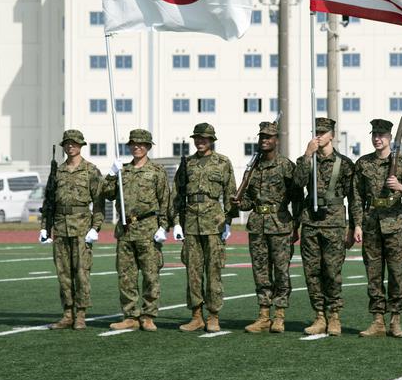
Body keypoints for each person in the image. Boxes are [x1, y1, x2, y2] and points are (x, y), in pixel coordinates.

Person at [292, 117, 359, 336]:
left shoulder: (345, 164)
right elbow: (298, 183)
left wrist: (355, 226)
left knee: (332, 271)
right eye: (316, 132)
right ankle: (319, 316)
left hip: (334, 223)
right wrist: (307, 154)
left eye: (323, 132)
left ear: (332, 135)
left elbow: (354, 197)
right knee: (312, 272)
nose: (318, 136)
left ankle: (334, 316)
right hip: (311, 222)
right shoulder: (307, 160)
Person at [353, 119, 402, 338]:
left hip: (394, 225)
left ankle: (395, 320)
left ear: (390, 138)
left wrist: (400, 186)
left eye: (381, 135)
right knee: (373, 275)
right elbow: (356, 197)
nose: (377, 139)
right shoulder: (363, 163)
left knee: (396, 273)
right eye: (374, 135)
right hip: (371, 224)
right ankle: (377, 320)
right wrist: (357, 224)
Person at [102, 129, 170, 332]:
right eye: (133, 144)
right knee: (126, 276)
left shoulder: (156, 171)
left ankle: (148, 315)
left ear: (148, 147)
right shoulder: (123, 171)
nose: (137, 147)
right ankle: (130, 315)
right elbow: (108, 194)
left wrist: (164, 226)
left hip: (148, 229)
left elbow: (165, 200)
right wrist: (112, 175)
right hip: (125, 229)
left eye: (141, 144)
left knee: (151, 275)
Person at [235, 121, 298, 333]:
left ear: (276, 140)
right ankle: (263, 315)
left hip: (280, 224)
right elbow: (247, 202)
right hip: (257, 226)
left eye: (269, 137)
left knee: (281, 272)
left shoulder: (286, 166)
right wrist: (237, 201)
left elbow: (297, 198)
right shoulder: (252, 168)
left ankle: (279, 315)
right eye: (262, 137)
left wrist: (296, 225)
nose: (264, 141)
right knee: (260, 273)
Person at [173, 123, 236, 333]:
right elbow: (177, 194)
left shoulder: (223, 162)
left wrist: (229, 221)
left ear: (211, 140)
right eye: (197, 138)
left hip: (214, 222)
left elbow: (230, 193)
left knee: (214, 271)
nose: (200, 142)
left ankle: (213, 316)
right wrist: (175, 223)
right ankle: (196, 316)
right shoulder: (187, 163)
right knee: (193, 272)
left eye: (204, 138)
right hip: (191, 223)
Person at [40, 129, 105, 331]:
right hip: (60, 227)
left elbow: (99, 202)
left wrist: (96, 227)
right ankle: (67, 313)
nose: (71, 146)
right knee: (63, 273)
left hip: (82, 227)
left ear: (81, 146)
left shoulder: (90, 170)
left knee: (81, 273)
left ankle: (81, 315)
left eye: (74, 143)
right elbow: (49, 201)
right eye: (67, 143)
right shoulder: (57, 171)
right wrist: (44, 227)